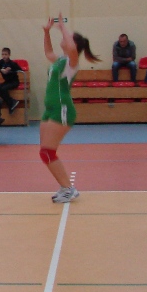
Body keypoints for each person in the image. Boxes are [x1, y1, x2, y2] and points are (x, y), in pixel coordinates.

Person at [41, 16, 101, 202]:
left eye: (68, 37)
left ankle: (68, 189)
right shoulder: (61, 60)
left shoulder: (72, 62)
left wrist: (62, 27)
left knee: (47, 152)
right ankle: (65, 187)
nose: (64, 38)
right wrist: (46, 32)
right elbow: (48, 52)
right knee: (45, 152)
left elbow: (73, 49)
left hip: (62, 109)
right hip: (50, 109)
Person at [0, 48, 24, 114]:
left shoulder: (12, 63)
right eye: (3, 54)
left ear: (9, 55)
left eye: (6, 54)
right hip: (7, 81)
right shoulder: (1, 62)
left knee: (3, 89)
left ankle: (11, 103)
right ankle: (11, 102)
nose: (4, 56)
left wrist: (11, 69)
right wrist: (1, 70)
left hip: (14, 82)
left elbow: (20, 69)